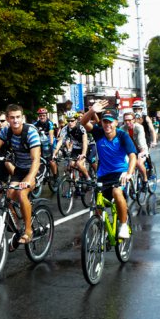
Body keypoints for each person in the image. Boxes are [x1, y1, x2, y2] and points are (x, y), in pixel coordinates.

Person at [0, 104, 41, 246]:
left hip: (33, 169)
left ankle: (29, 231)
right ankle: (18, 227)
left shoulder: (30, 132)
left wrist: (29, 179)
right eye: (12, 118)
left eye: (18, 117)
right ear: (7, 119)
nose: (15, 120)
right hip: (19, 169)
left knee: (22, 193)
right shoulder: (6, 131)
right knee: (8, 196)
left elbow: (36, 159)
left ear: (22, 118)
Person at [79, 100, 137, 239]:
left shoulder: (122, 136)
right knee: (98, 204)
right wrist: (92, 111)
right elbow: (83, 123)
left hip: (120, 174)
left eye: (111, 122)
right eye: (105, 121)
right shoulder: (99, 133)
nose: (107, 125)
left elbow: (132, 156)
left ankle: (123, 225)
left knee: (117, 192)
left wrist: (129, 173)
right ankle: (102, 227)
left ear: (116, 123)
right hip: (103, 175)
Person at [54, 112, 90, 185]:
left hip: (84, 148)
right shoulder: (65, 129)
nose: (70, 123)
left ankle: (88, 177)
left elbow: (85, 142)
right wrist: (54, 153)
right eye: (68, 121)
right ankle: (77, 179)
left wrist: (83, 154)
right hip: (75, 149)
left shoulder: (81, 128)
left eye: (72, 121)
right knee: (71, 164)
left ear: (76, 120)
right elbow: (60, 142)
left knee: (79, 164)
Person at [121, 111, 150, 189]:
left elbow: (141, 140)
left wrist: (142, 151)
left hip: (141, 149)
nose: (127, 122)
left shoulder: (139, 127)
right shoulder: (122, 129)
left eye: (129, 120)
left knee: (139, 163)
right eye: (125, 120)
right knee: (126, 164)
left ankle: (145, 180)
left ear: (134, 120)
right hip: (130, 150)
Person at [34, 107, 58, 179]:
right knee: (37, 159)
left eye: (43, 115)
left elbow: (51, 133)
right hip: (40, 144)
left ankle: (55, 176)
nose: (42, 117)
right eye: (40, 115)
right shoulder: (35, 124)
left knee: (51, 161)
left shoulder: (49, 123)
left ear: (46, 116)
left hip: (50, 143)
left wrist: (51, 144)